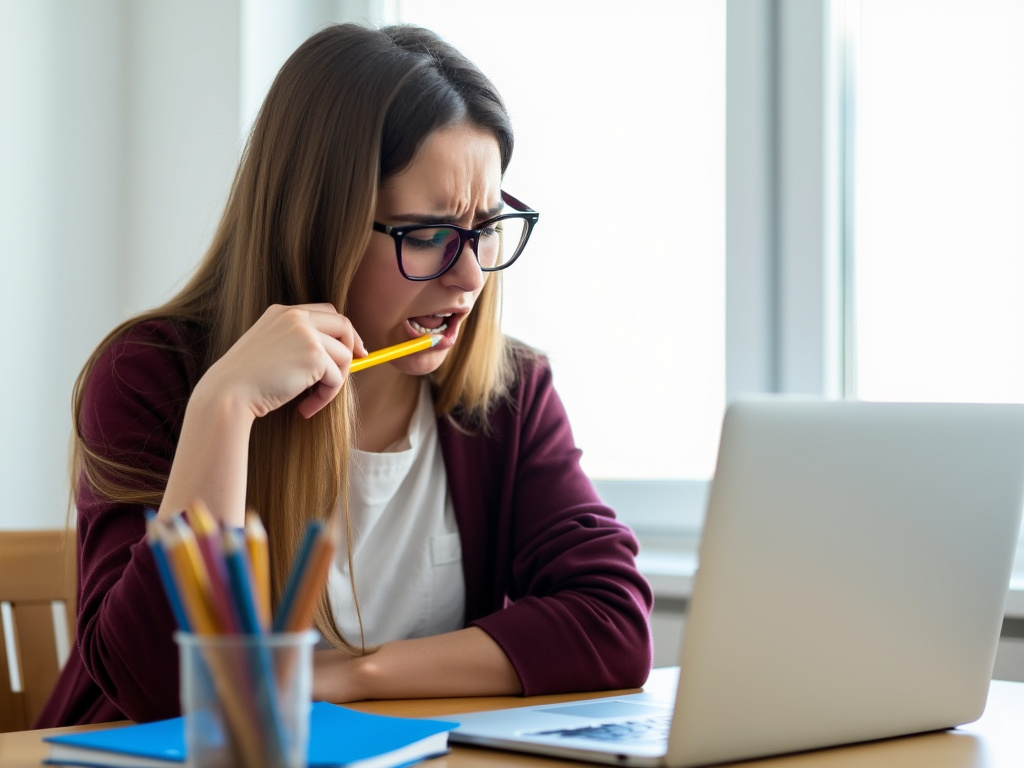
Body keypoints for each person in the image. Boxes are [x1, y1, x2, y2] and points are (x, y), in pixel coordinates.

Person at [35, 22, 653, 727]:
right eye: (428, 235)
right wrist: (223, 410)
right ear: (319, 221)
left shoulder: (509, 393)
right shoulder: (152, 375)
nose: (470, 276)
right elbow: (159, 690)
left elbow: (614, 623)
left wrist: (352, 674)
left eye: (484, 229)